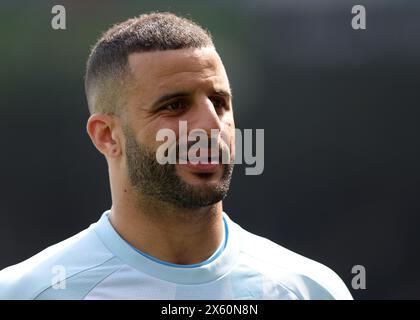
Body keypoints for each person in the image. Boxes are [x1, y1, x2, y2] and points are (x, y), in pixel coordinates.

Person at [0, 12, 352, 300]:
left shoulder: (310, 289)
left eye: (219, 103)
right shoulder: (29, 292)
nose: (211, 125)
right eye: (175, 105)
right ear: (107, 136)